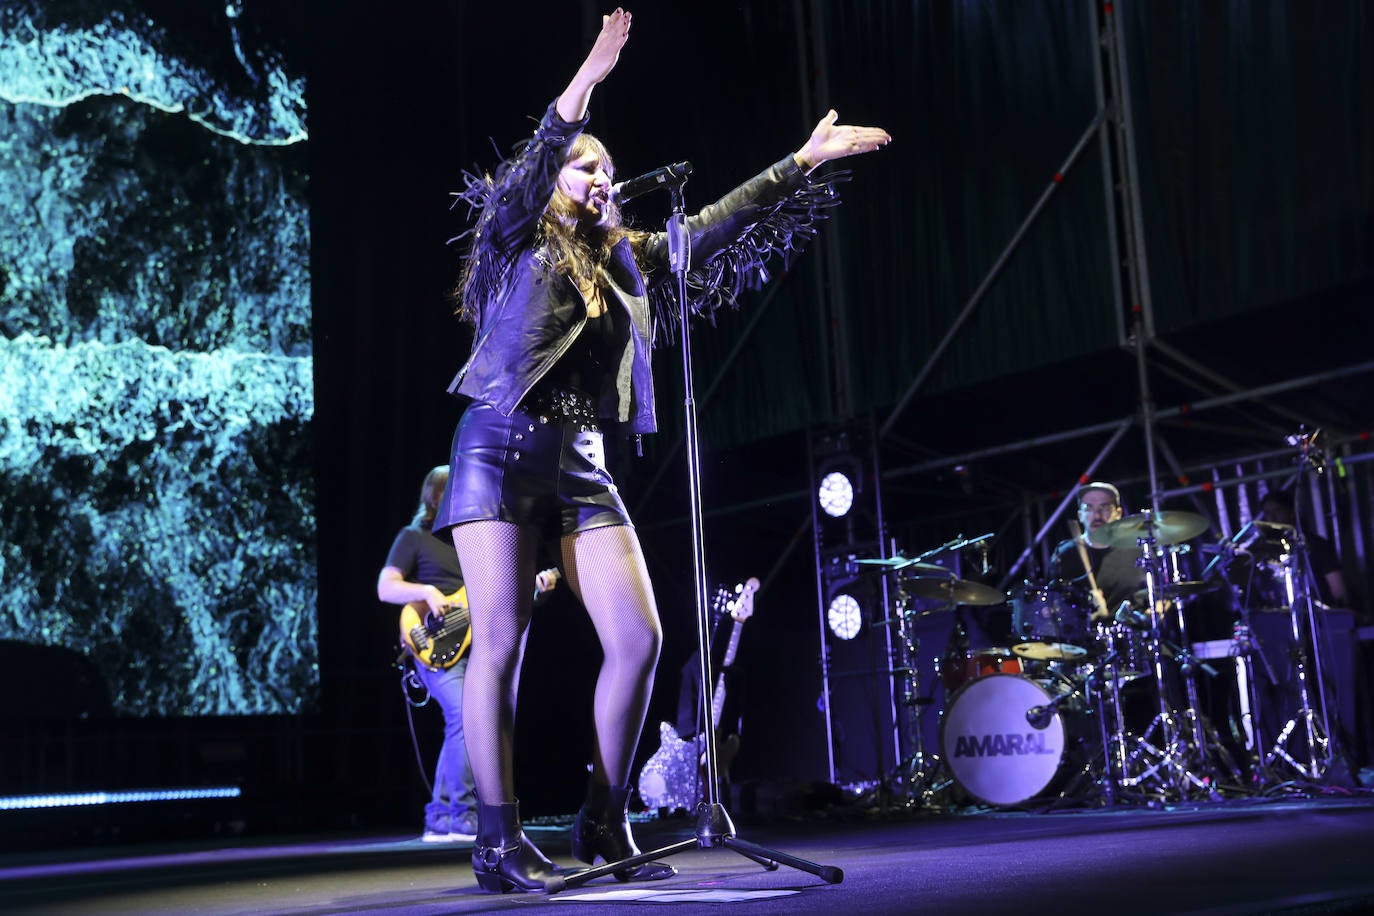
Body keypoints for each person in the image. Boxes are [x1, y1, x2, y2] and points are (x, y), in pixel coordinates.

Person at [432, 8, 890, 894]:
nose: (598, 174)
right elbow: (535, 162)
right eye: (582, 163)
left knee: (639, 639)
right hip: (496, 446)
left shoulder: (628, 258)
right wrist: (586, 81)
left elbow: (713, 226)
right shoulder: (521, 232)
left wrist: (802, 161)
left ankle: (603, 817)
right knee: (502, 640)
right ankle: (496, 838)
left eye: (605, 165)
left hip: (583, 461)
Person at [377, 465, 559, 845]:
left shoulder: (475, 540)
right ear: (434, 496)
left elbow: (499, 598)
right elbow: (385, 586)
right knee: (465, 716)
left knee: (465, 721)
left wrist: (535, 589)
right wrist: (427, 592)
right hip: (431, 644)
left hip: (476, 646)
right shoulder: (415, 536)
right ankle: (461, 814)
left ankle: (441, 816)